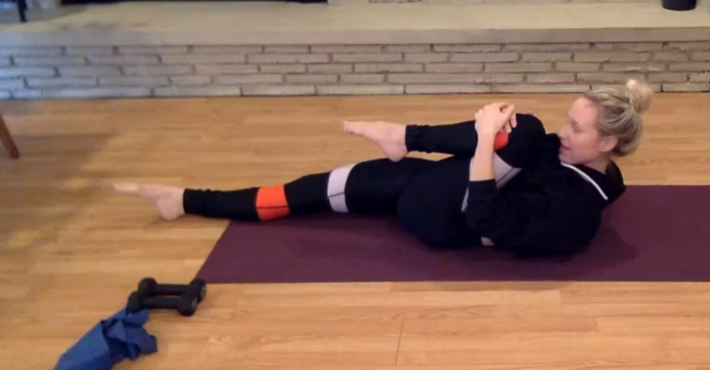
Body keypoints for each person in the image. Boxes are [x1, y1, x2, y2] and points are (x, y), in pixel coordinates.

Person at [117, 80, 653, 257]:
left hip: (449, 219)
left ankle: (405, 137)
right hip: (432, 187)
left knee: (525, 130)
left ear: (607, 141)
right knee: (312, 191)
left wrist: (490, 139)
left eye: (577, 129)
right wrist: (495, 139)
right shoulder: (570, 156)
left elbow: (490, 219)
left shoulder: (576, 210)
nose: (566, 133)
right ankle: (185, 199)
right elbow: (517, 154)